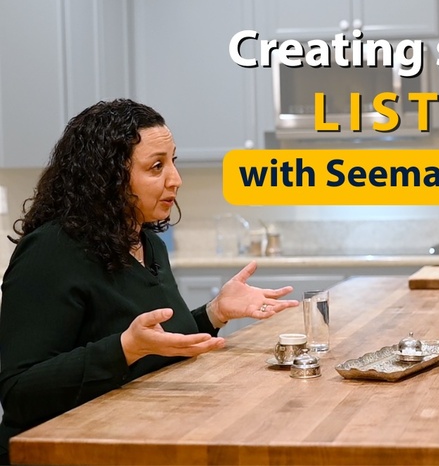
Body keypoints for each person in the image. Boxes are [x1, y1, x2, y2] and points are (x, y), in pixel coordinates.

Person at [0, 99, 299, 463]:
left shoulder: (149, 244)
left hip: (135, 436)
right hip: (62, 451)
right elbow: (19, 391)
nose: (175, 178)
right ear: (106, 178)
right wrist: (125, 348)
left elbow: (157, 343)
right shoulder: (52, 251)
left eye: (174, 161)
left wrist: (215, 313)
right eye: (157, 166)